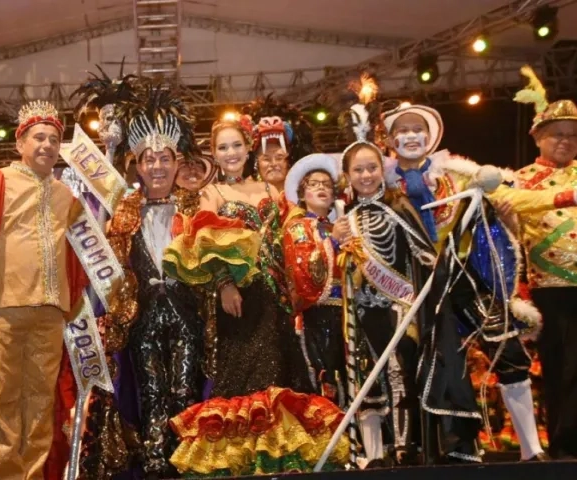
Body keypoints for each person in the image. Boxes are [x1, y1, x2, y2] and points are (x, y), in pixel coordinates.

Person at [162, 113, 349, 476]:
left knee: (282, 376)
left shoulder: (270, 192)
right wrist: (225, 285)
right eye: (222, 147)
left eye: (236, 145)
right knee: (244, 380)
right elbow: (203, 242)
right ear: (213, 155)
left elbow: (292, 243)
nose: (230, 153)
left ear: (249, 149)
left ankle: (279, 462)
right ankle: (245, 466)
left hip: (276, 298)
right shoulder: (211, 194)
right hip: (240, 301)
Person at [382, 102, 549, 461]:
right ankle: (455, 451)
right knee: (438, 370)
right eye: (403, 131)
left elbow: (507, 196)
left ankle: (531, 450)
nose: (411, 136)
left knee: (509, 350)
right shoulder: (381, 183)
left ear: (431, 135)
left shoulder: (457, 173)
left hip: (464, 279)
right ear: (391, 138)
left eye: (417, 129)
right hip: (416, 290)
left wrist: (504, 209)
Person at [333, 78, 482, 467]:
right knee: (371, 382)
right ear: (347, 176)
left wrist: (428, 282)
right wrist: (338, 245)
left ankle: (404, 446)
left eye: (370, 168)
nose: (365, 176)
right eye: (357, 171)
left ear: (380, 171)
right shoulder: (345, 218)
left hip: (399, 308)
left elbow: (424, 255)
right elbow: (342, 274)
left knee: (400, 376)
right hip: (364, 312)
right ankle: (375, 451)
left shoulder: (398, 206)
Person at [0, 100, 88, 479]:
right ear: (20, 143)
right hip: (4, 304)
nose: (46, 145)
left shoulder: (66, 195)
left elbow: (88, 243)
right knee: (3, 396)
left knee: (41, 400)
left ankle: (34, 474)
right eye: (39, 137)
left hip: (51, 307)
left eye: (54, 139)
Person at [90, 82, 205, 479]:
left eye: (164, 159)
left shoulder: (195, 208)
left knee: (184, 387)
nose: (157, 166)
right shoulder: (126, 210)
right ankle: (156, 457)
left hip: (186, 311)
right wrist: (107, 150)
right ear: (137, 165)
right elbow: (102, 243)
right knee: (151, 388)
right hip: (143, 314)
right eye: (148, 159)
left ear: (177, 163)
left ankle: (186, 455)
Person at [510, 66, 577, 459]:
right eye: (558, 134)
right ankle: (567, 447)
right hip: (550, 289)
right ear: (538, 137)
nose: (566, 142)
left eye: (572, 135)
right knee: (562, 369)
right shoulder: (521, 180)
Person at [281, 153, 348, 409]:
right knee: (323, 375)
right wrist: (332, 242)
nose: (321, 188)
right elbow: (304, 272)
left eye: (327, 184)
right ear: (302, 193)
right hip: (317, 315)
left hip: (346, 312)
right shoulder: (298, 227)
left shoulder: (341, 225)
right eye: (314, 184)